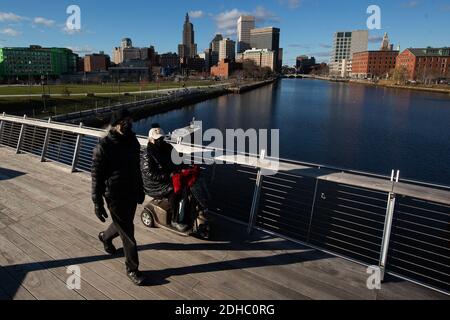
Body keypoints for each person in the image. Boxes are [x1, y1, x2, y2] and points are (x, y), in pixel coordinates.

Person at [91, 109, 146, 286]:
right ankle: (132, 268)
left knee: (122, 224)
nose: (127, 124)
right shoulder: (103, 147)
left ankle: (105, 237)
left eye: (129, 120)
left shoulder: (133, 142)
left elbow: (137, 168)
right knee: (128, 233)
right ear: (114, 125)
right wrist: (97, 202)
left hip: (131, 191)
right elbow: (96, 177)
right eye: (123, 122)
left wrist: (140, 189)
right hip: (114, 195)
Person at [141, 124, 188, 232]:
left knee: (187, 184)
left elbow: (178, 160)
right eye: (158, 138)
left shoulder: (167, 147)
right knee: (174, 191)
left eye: (162, 138)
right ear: (151, 139)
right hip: (154, 184)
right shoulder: (147, 154)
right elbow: (150, 174)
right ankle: (174, 220)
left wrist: (185, 167)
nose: (161, 140)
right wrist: (169, 175)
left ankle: (185, 213)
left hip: (168, 177)